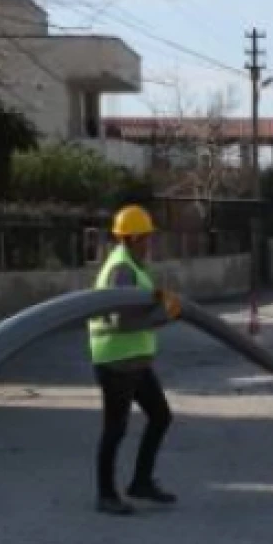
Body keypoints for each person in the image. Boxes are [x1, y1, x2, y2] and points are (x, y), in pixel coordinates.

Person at [89, 204, 182, 516]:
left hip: (134, 360)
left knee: (160, 416)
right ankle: (105, 495)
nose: (150, 243)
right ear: (132, 238)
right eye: (146, 237)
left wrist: (157, 300)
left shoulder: (132, 265)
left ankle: (141, 482)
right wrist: (162, 315)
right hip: (117, 360)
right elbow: (121, 320)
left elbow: (135, 305)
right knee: (115, 429)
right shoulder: (122, 269)